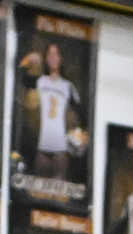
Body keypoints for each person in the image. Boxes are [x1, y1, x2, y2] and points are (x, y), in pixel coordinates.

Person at [22, 41, 82, 181]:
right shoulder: (40, 82)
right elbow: (23, 78)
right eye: (50, 54)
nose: (53, 58)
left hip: (60, 150)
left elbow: (81, 114)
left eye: (56, 54)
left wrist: (78, 137)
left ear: (61, 58)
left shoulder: (67, 86)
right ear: (46, 58)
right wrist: (27, 60)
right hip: (42, 147)